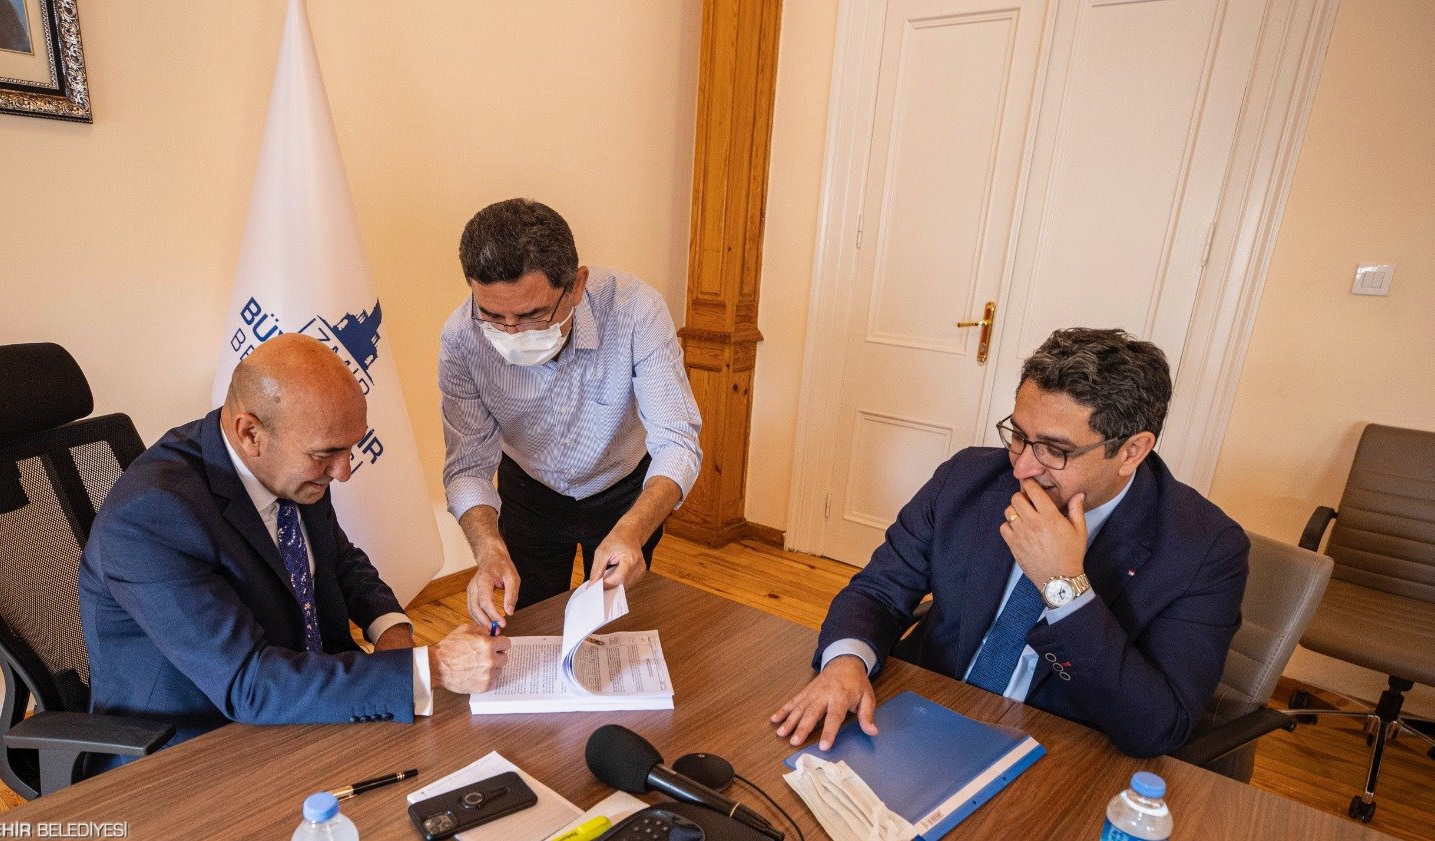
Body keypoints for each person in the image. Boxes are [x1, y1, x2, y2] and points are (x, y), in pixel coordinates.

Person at [771, 328, 1248, 758]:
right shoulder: (967, 478)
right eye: (1018, 435)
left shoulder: (1205, 549)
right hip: (920, 714)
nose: (1021, 467)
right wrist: (846, 662)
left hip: (1059, 754)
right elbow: (878, 590)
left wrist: (1064, 588)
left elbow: (1158, 728)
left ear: (1131, 451)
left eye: (1055, 450)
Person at [81, 334, 508, 761]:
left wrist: (392, 631)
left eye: (351, 448)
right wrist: (435, 667)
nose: (343, 472)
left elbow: (339, 559)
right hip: (196, 748)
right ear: (250, 433)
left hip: (302, 706)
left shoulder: (290, 462)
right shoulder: (151, 516)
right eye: (326, 454)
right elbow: (249, 684)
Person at [440, 198, 702, 627]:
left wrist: (634, 529)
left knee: (617, 623)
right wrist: (488, 551)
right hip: (528, 492)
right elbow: (467, 465)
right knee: (529, 622)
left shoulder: (636, 310)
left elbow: (677, 440)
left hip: (623, 490)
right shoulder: (460, 339)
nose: (511, 333)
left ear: (576, 286)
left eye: (533, 315)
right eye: (492, 315)